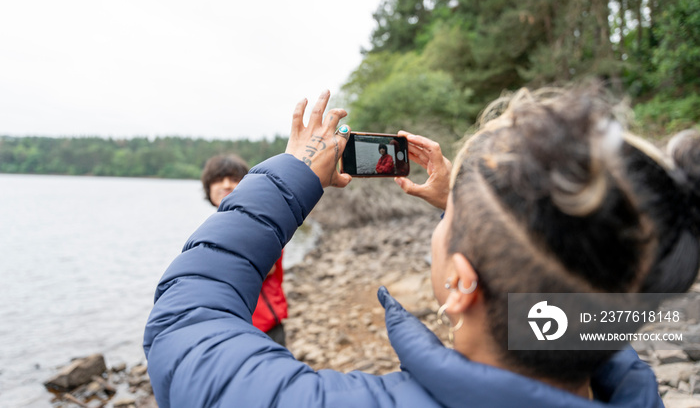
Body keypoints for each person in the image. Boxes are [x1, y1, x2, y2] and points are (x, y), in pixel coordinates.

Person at [144, 88, 699, 407]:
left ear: (460, 283)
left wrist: (288, 178)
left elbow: (185, 320)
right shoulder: (628, 391)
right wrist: (478, 212)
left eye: (447, 220)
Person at [200, 154, 288, 346]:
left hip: (264, 326)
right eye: (218, 180)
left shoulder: (261, 221)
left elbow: (265, 268)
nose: (226, 185)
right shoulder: (213, 227)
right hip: (229, 328)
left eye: (233, 179)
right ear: (208, 188)